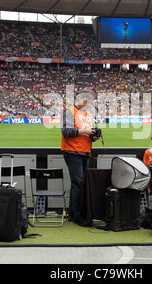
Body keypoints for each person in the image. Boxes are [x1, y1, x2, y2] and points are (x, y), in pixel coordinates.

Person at [61, 89, 99, 224]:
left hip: (85, 151)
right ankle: (79, 216)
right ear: (83, 100)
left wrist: (93, 136)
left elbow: (84, 134)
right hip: (72, 151)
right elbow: (65, 131)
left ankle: (73, 214)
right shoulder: (70, 112)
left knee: (78, 184)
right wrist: (85, 131)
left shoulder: (86, 114)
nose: (90, 105)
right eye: (89, 102)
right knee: (78, 183)